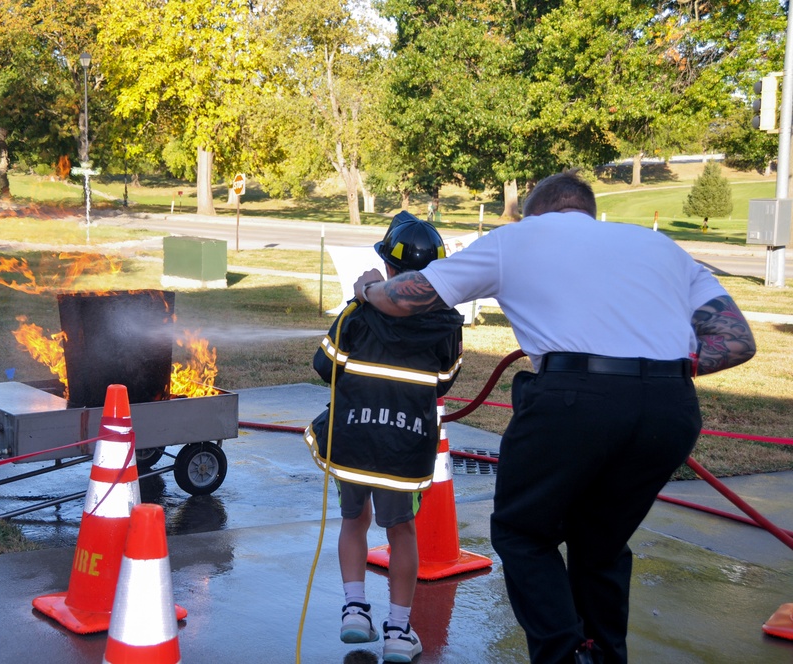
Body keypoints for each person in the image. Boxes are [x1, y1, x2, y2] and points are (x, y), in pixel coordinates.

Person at [352, 172, 756, 664]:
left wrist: (369, 289)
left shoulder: (518, 237)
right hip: (670, 408)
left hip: (572, 398)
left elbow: (406, 297)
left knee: (524, 533)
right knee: (602, 543)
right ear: (586, 210)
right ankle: (604, 655)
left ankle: (562, 656)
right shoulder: (662, 247)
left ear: (536, 211)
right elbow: (736, 342)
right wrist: (659, 368)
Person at [304, 212, 463, 664]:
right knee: (401, 530)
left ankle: (355, 610)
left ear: (387, 269)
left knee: (353, 520)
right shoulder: (448, 324)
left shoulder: (358, 311)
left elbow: (324, 367)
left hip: (353, 439)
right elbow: (445, 382)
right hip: (404, 446)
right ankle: (397, 631)